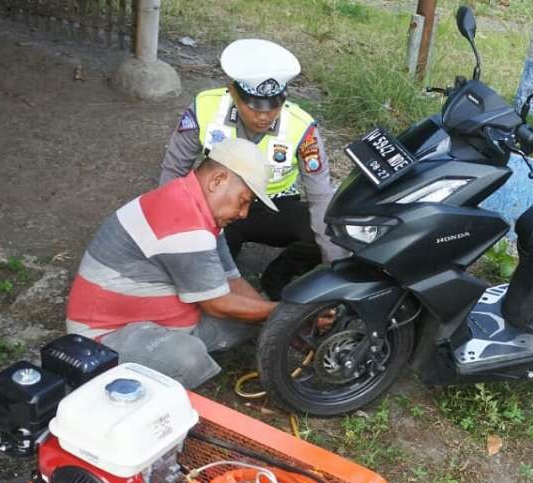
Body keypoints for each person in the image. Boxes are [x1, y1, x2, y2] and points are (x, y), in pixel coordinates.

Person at [65, 138, 278, 389]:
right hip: (104, 338)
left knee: (254, 315)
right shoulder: (182, 218)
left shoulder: (198, 208)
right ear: (217, 180)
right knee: (187, 359)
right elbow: (218, 304)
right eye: (244, 200)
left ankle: (168, 354)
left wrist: (281, 320)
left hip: (156, 324)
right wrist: (286, 313)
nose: (244, 214)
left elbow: (232, 280)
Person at [159, 38, 344, 299]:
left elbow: (320, 196)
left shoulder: (302, 126)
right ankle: (219, 281)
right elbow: (174, 170)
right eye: (254, 105)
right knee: (209, 267)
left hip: (274, 206)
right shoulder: (205, 107)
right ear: (234, 93)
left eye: (274, 106)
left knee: (329, 230)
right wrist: (170, 232)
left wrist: (333, 267)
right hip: (219, 206)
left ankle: (277, 277)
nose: (264, 116)